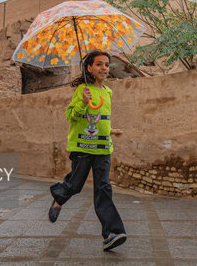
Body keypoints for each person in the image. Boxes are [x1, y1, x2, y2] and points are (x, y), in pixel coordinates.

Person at [48, 49, 127, 251]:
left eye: (107, 65)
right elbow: (71, 116)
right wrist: (83, 102)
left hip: (103, 148)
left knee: (103, 189)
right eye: (99, 64)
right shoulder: (82, 89)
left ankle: (112, 232)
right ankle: (59, 197)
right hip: (82, 147)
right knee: (75, 185)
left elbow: (102, 118)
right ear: (89, 68)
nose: (104, 68)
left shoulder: (108, 92)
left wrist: (110, 130)